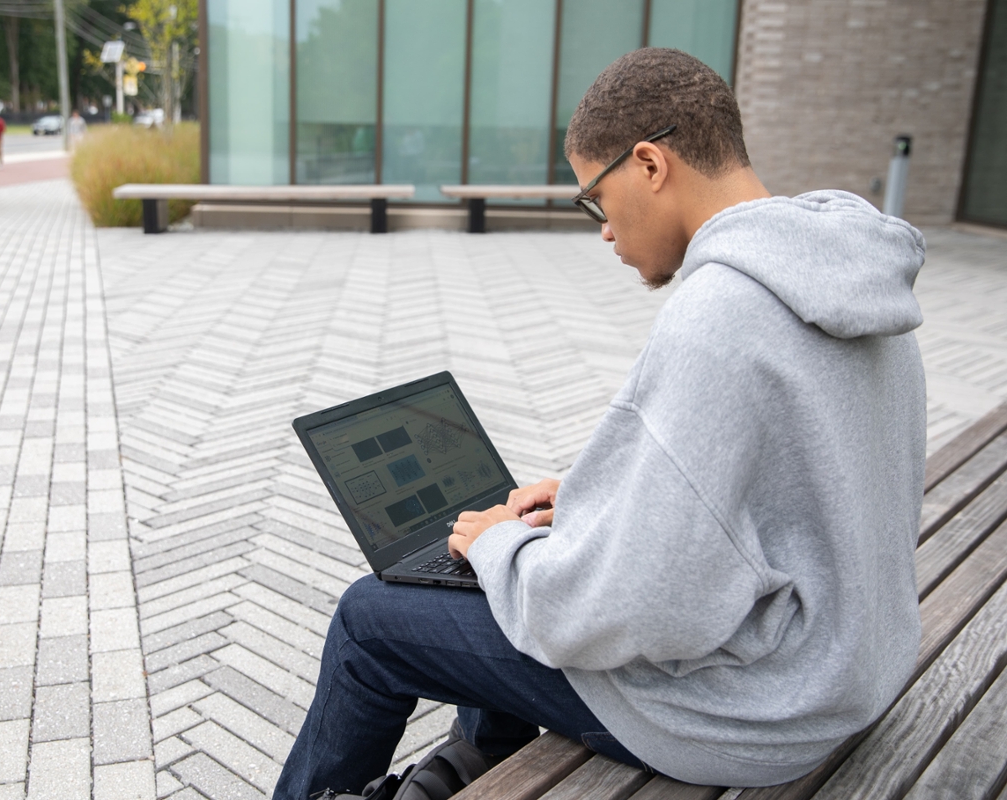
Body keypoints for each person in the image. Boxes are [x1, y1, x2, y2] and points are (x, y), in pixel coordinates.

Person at [273, 47, 927, 798]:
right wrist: (592, 503)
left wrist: (504, 553)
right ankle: (465, 768)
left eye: (595, 197)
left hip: (751, 715)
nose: (604, 231)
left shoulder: (720, 316)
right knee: (506, 562)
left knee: (371, 619)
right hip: (841, 670)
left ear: (649, 164)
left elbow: (631, 607)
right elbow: (781, 492)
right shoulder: (852, 277)